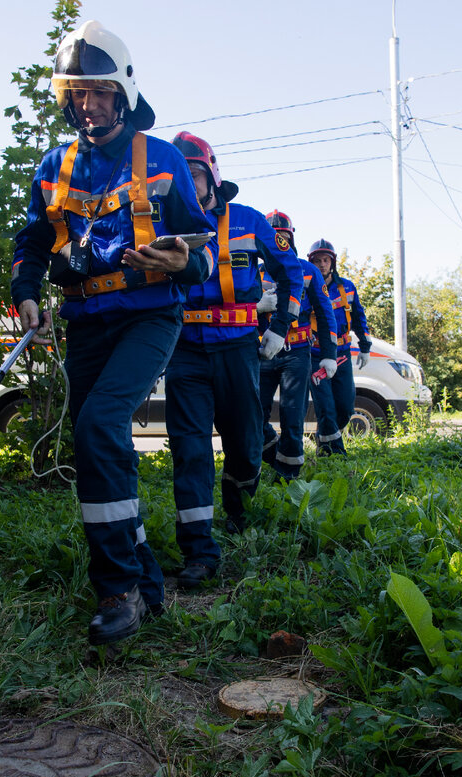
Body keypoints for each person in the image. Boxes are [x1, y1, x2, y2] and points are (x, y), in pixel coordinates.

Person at [11, 21, 216, 645]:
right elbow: (32, 242)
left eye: (99, 92)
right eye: (77, 93)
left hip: (149, 315)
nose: (88, 104)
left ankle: (117, 589)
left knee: (99, 425)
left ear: (122, 92)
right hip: (84, 322)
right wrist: (25, 294)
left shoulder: (162, 159)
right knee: (93, 438)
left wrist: (186, 261)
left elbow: (201, 248)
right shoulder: (55, 167)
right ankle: (148, 583)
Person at [164, 133, 303, 590]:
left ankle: (238, 510)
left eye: (195, 173)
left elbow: (291, 273)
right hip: (184, 349)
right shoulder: (162, 222)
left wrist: (281, 325)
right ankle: (198, 549)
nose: (187, 182)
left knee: (245, 444)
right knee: (190, 450)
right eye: (178, 175)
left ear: (212, 177)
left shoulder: (248, 220)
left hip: (239, 347)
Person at [258, 211, 337, 481]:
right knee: (253, 413)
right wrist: (256, 306)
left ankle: (288, 475)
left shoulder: (308, 270)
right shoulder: (252, 271)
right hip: (262, 353)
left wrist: (328, 355)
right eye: (274, 237)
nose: (279, 241)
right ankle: (273, 455)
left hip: (298, 353)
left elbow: (325, 314)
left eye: (284, 236)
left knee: (293, 418)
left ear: (291, 238)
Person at [306, 238, 372, 455]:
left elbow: (359, 317)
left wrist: (365, 345)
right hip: (315, 355)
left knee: (344, 407)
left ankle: (323, 439)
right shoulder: (305, 288)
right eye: (317, 261)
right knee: (325, 407)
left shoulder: (347, 288)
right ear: (311, 263)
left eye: (326, 260)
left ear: (332, 262)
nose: (322, 264)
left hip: (342, 354)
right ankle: (332, 454)